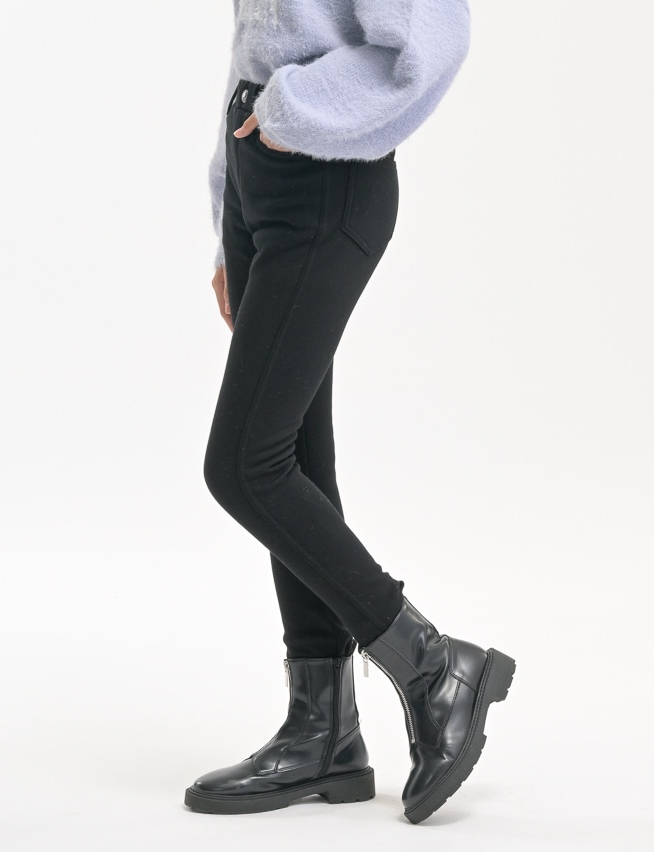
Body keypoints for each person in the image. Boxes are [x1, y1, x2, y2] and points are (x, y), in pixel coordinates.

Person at [184, 0, 515, 825]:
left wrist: (291, 110)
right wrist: (229, 207)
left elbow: (430, 43)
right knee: (293, 456)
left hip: (324, 175)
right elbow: (261, 34)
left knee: (244, 467)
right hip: (263, 174)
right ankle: (322, 731)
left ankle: (434, 667)